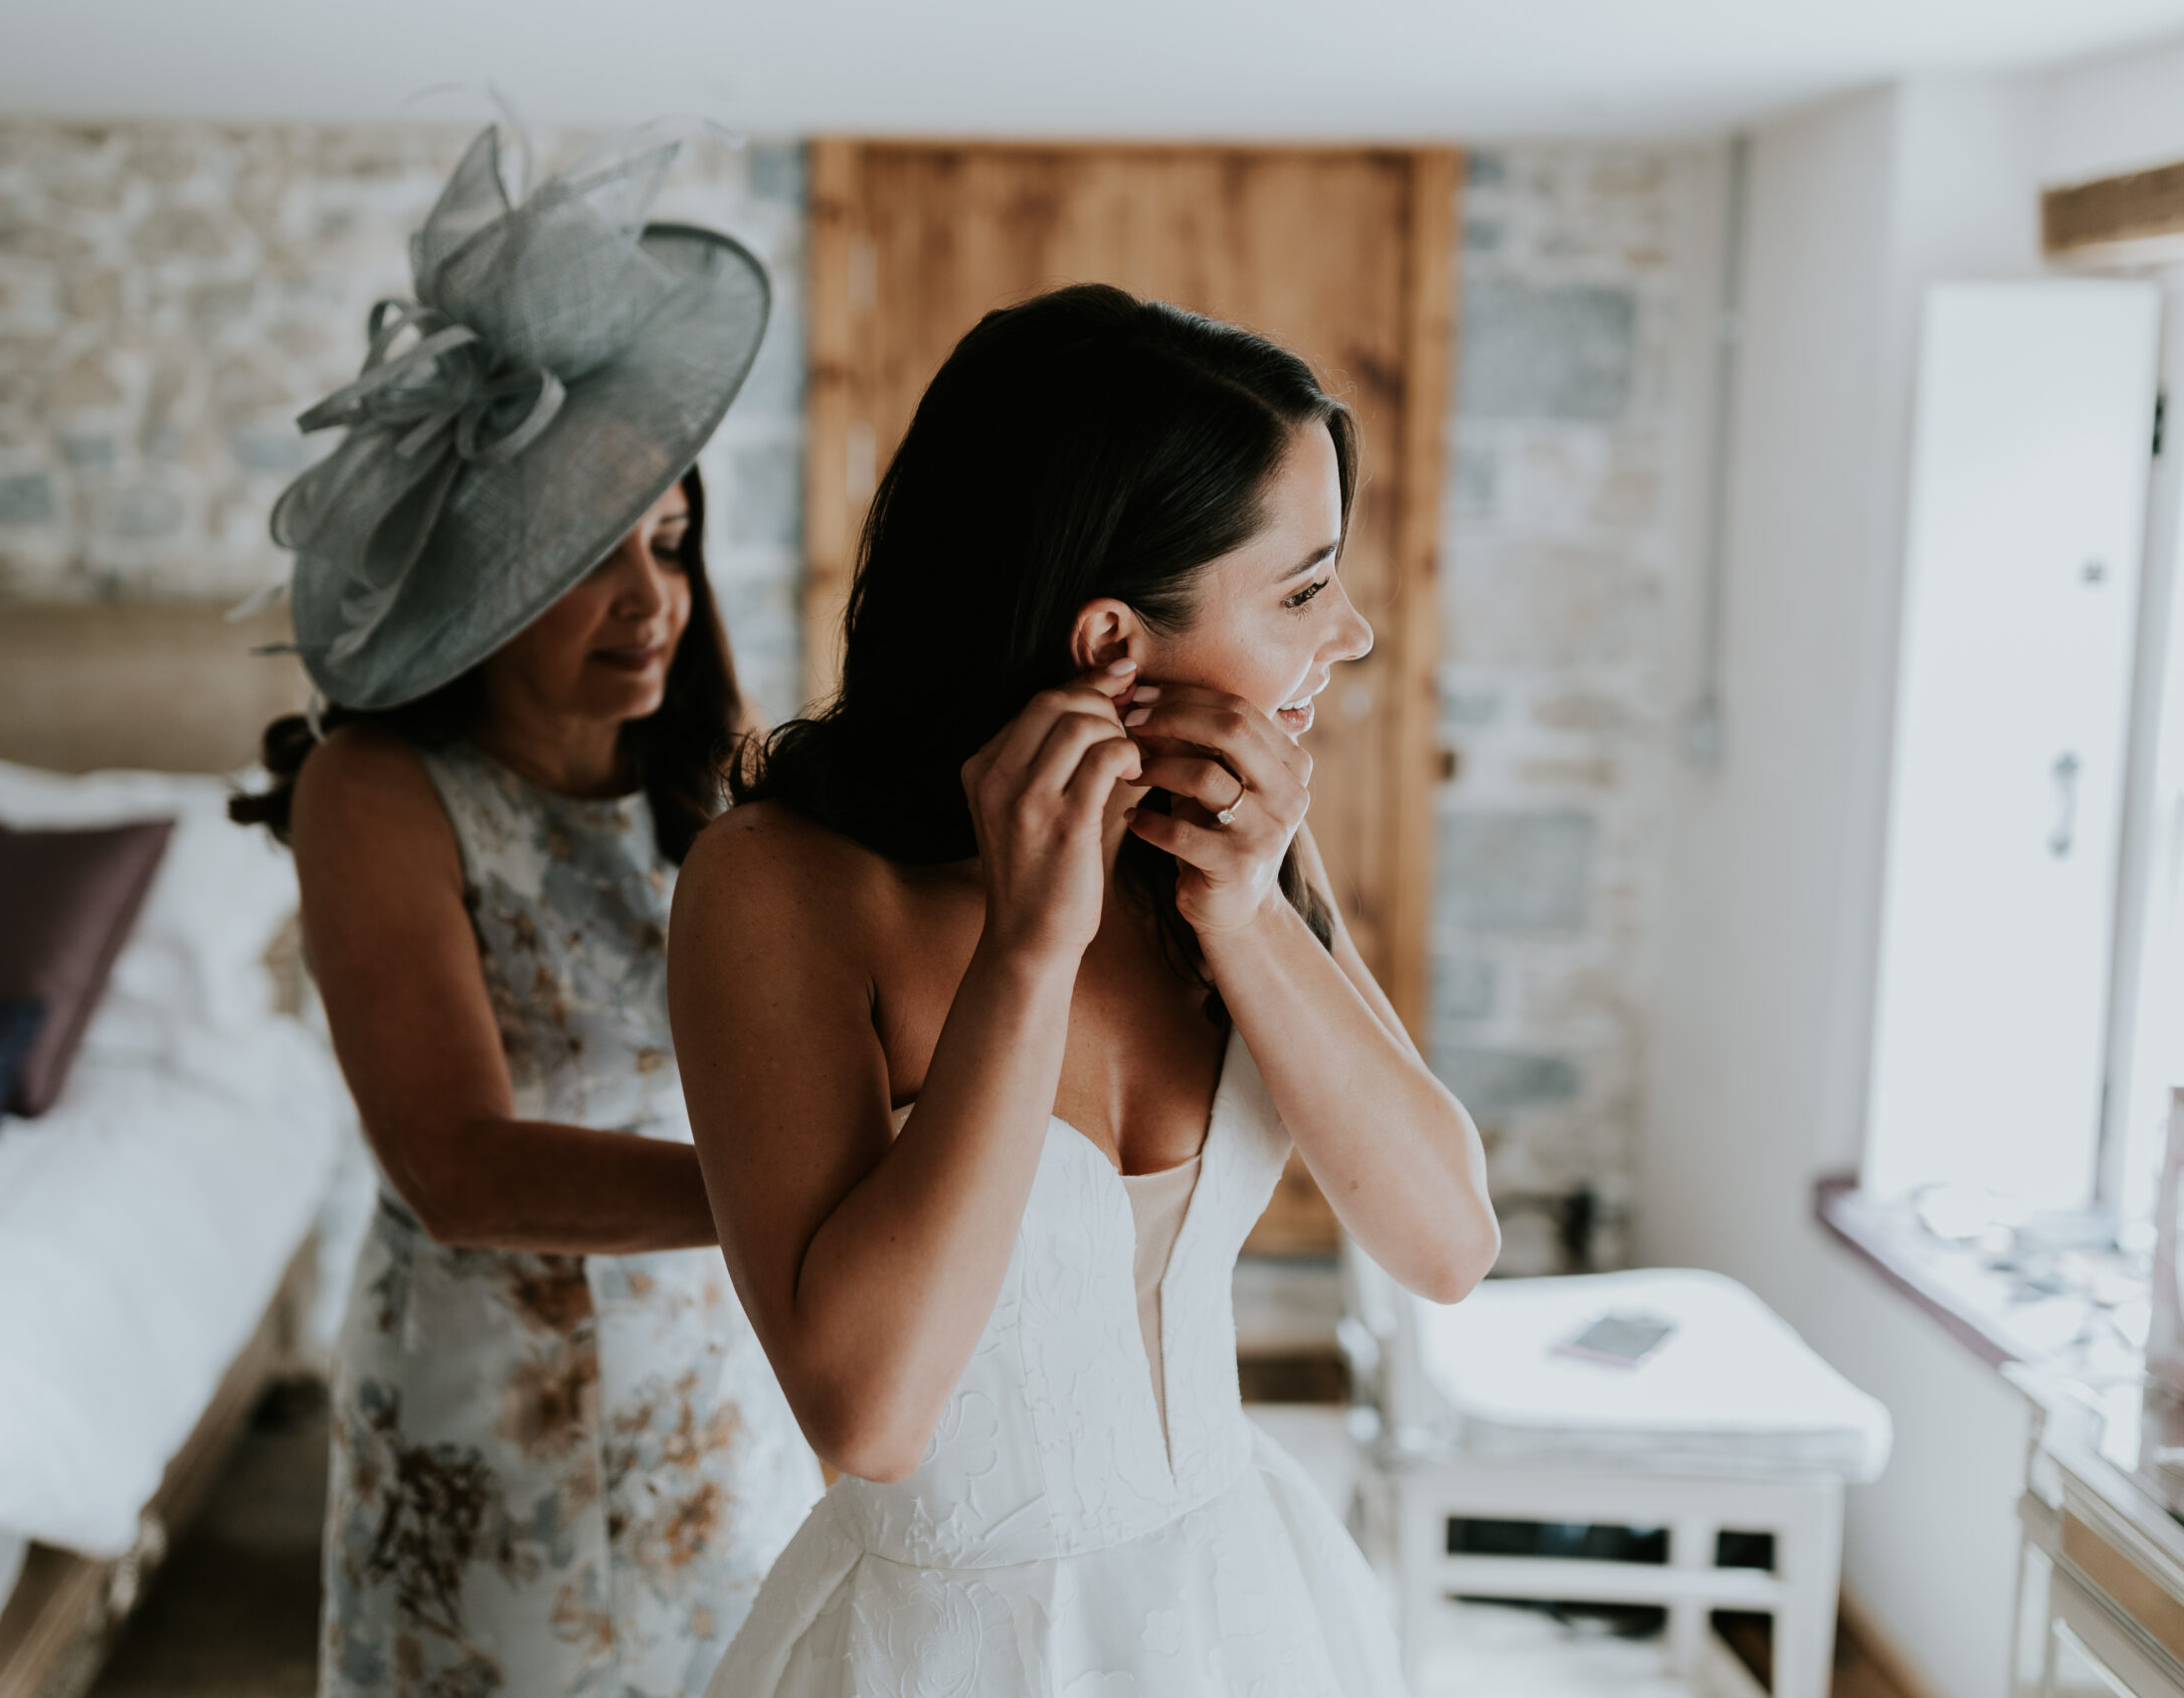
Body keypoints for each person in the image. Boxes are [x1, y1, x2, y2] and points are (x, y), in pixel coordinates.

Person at [670, 283, 1500, 1695]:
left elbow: (1445, 1245)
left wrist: (1244, 911)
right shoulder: (780, 887)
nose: (1350, 632)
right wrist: (1028, 955)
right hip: (938, 1654)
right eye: (1303, 588)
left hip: (1242, 1614)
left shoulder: (1241, 849)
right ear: (1112, 642)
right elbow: (869, 1412)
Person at [231, 125, 821, 1698]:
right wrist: (794, 1196)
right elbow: (455, 1163)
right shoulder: (379, 791)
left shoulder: (719, 792)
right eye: (587, 559)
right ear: (479, 579)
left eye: (672, 545)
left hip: (711, 1367)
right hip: (495, 1397)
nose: (651, 602)